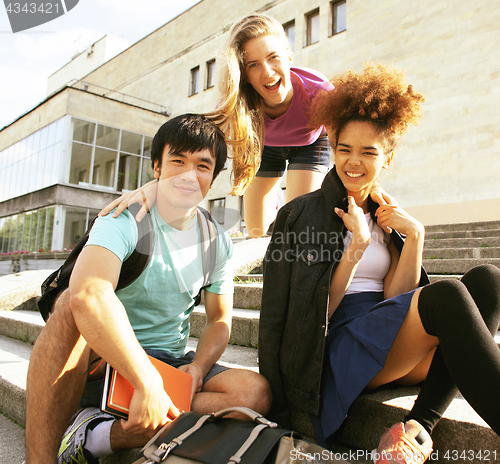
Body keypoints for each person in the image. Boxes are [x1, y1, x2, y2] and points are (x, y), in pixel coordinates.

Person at [258, 64, 500, 463]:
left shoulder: (387, 212)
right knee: (448, 295)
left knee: (489, 279)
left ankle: (418, 427)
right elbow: (305, 313)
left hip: (391, 343)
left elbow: (398, 298)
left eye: (369, 152)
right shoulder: (300, 214)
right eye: (344, 149)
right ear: (333, 148)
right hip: (341, 349)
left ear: (386, 158)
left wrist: (414, 237)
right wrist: (356, 247)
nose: (354, 162)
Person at [25, 114, 271, 464]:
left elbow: (219, 320)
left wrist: (199, 367)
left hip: (169, 362)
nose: (189, 174)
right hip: (106, 359)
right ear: (157, 167)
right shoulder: (125, 218)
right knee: (69, 304)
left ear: (212, 178)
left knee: (253, 394)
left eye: (202, 165)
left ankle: (99, 436)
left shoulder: (216, 240)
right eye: (177, 161)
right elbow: (90, 293)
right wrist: (145, 380)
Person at [101, 13, 333, 238]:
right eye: (253, 65)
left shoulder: (319, 92)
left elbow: (350, 144)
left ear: (289, 56)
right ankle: (274, 199)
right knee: (255, 229)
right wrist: (156, 187)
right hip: (263, 145)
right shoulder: (235, 105)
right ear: (245, 75)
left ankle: (288, 209)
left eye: (273, 57)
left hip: (309, 144)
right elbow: (195, 146)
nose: (267, 72)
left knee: (299, 222)